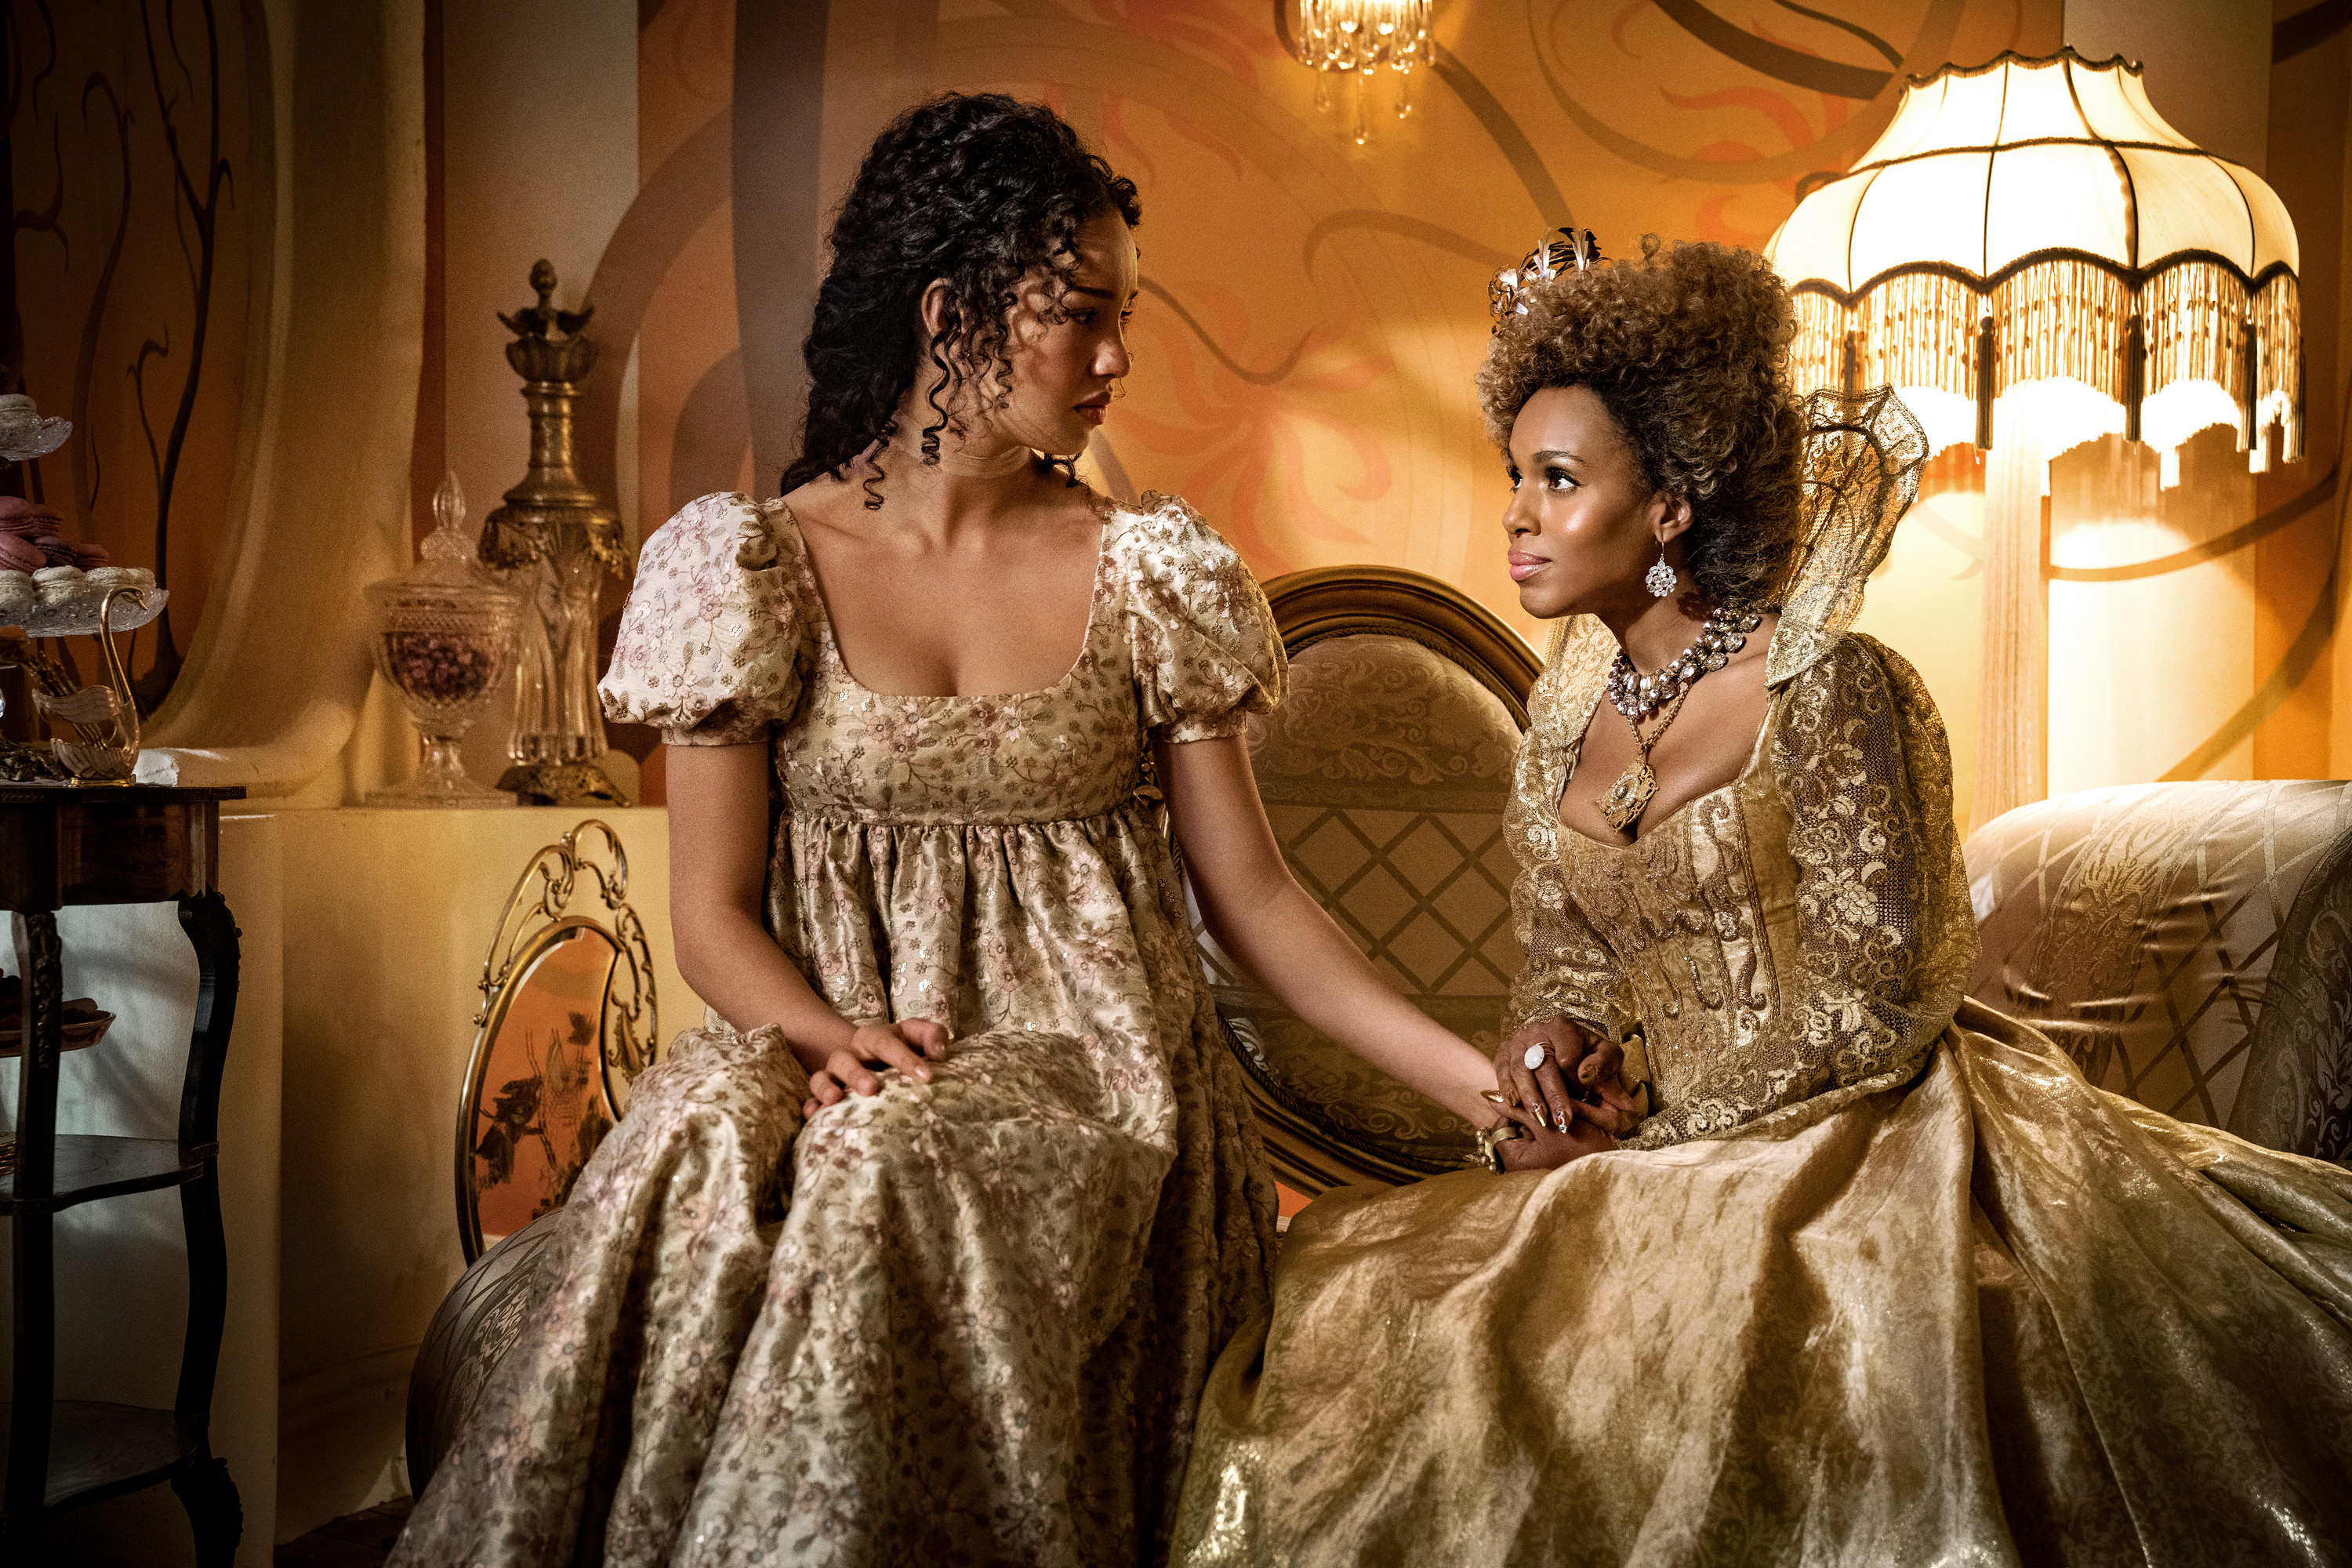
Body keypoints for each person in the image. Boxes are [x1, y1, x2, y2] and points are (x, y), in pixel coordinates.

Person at [392, 94, 1523, 1568]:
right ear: (949, 315)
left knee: (886, 1166)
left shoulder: (1147, 573)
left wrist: (1486, 1096)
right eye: (1081, 315)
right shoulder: (752, 569)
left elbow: (1256, 905)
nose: (1116, 358)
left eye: (1124, 318)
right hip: (831, 1047)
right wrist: (829, 1039)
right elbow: (710, 917)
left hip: (1095, 1087)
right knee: (712, 1137)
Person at [1172, 237, 2352, 1564]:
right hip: (1638, 1144)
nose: (1516, 513)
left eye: (1558, 480)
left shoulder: (1835, 688)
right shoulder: (1563, 715)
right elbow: (1570, 960)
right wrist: (1551, 1046)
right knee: (1367, 1291)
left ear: (1670, 508)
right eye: (1515, 475)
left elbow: (1869, 1004)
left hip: (1858, 1130)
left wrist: (1648, 1141)